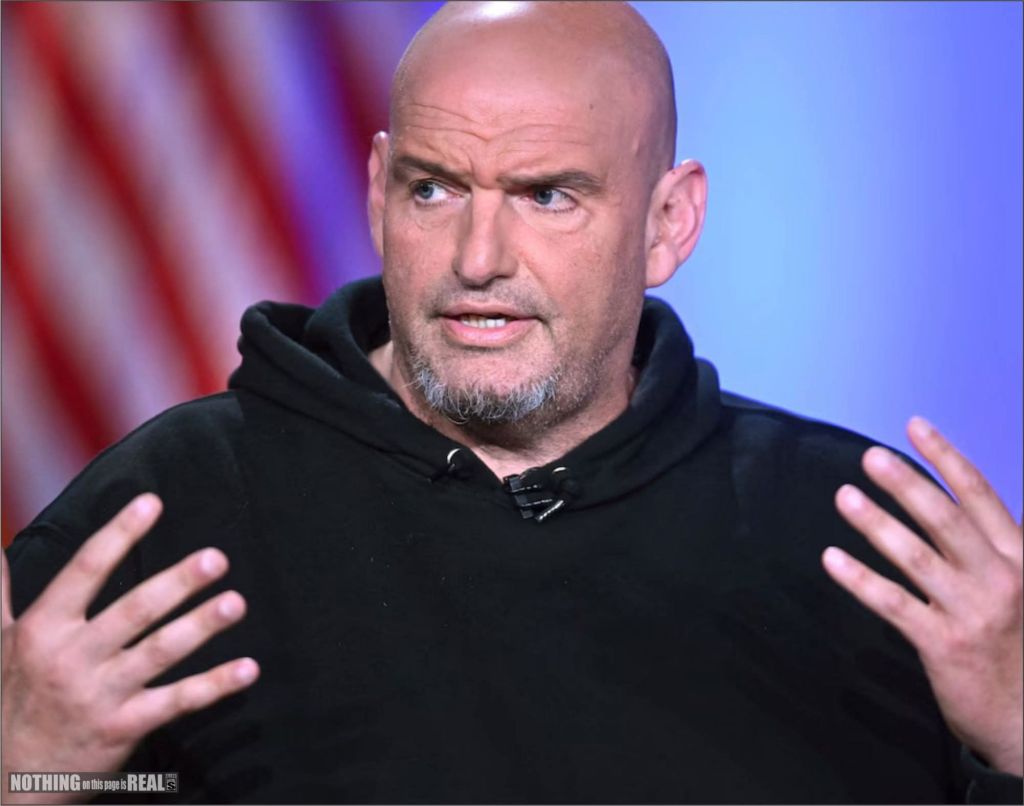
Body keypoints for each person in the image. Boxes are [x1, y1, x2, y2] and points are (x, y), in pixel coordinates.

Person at [2, 2, 1021, 803]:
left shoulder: (857, 539)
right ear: (377, 193)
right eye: (434, 189)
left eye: (546, 195)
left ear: (668, 223)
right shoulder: (174, 512)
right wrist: (26, 771)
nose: (478, 258)